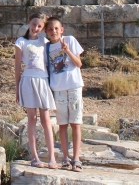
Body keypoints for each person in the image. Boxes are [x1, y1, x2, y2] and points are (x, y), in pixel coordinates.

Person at [14, 13, 58, 169]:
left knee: (46, 119)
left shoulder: (44, 41)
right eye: (34, 25)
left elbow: (57, 40)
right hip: (28, 80)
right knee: (32, 119)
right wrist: (17, 88)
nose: (36, 28)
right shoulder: (21, 42)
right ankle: (34, 156)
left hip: (43, 80)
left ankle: (52, 157)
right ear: (29, 23)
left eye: (39, 26)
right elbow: (18, 66)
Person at [44, 16, 85, 172]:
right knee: (62, 124)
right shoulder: (47, 47)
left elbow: (79, 63)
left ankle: (76, 158)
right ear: (46, 32)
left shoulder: (70, 40)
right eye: (50, 29)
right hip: (58, 88)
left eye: (56, 28)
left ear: (61, 30)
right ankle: (65, 158)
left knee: (75, 122)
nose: (53, 31)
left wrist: (67, 50)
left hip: (74, 85)